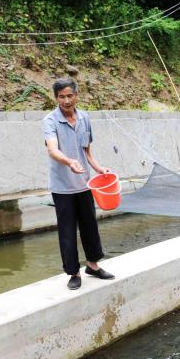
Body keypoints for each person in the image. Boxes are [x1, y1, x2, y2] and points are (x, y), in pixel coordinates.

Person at [42, 77, 115, 290]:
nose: (66, 101)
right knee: (67, 230)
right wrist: (69, 161)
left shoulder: (84, 118)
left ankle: (92, 265)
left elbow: (86, 151)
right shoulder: (50, 121)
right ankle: (73, 272)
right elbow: (52, 150)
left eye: (70, 96)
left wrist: (99, 168)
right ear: (55, 98)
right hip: (62, 186)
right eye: (61, 97)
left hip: (84, 183)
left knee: (90, 226)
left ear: (76, 95)